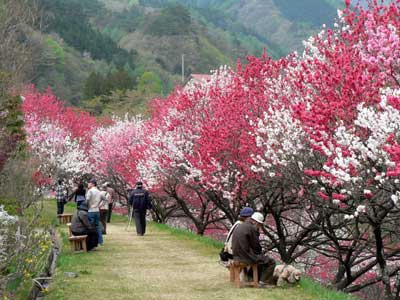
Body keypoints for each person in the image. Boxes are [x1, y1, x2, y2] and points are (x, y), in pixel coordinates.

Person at [232, 212, 276, 287]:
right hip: (244, 256)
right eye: (259, 224)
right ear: (256, 222)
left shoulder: (240, 225)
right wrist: (261, 253)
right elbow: (256, 247)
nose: (259, 226)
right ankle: (264, 282)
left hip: (236, 255)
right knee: (270, 261)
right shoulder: (252, 228)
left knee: (260, 258)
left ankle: (251, 278)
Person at [86, 178, 107, 245]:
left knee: (91, 227)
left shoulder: (90, 191)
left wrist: (87, 207)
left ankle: (92, 242)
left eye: (89, 183)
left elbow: (87, 200)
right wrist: (100, 206)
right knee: (97, 226)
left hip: (90, 210)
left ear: (92, 184)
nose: (88, 184)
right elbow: (105, 200)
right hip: (97, 211)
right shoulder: (99, 191)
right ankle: (100, 241)